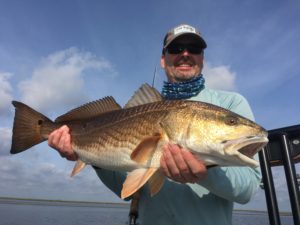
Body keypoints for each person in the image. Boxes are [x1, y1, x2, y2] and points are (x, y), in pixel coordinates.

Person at [48, 24, 261, 225]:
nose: (185, 53)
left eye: (194, 48)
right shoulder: (145, 108)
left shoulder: (231, 102)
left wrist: (206, 172)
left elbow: (248, 189)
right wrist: (91, 158)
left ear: (202, 58)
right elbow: (127, 191)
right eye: (176, 48)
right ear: (163, 59)